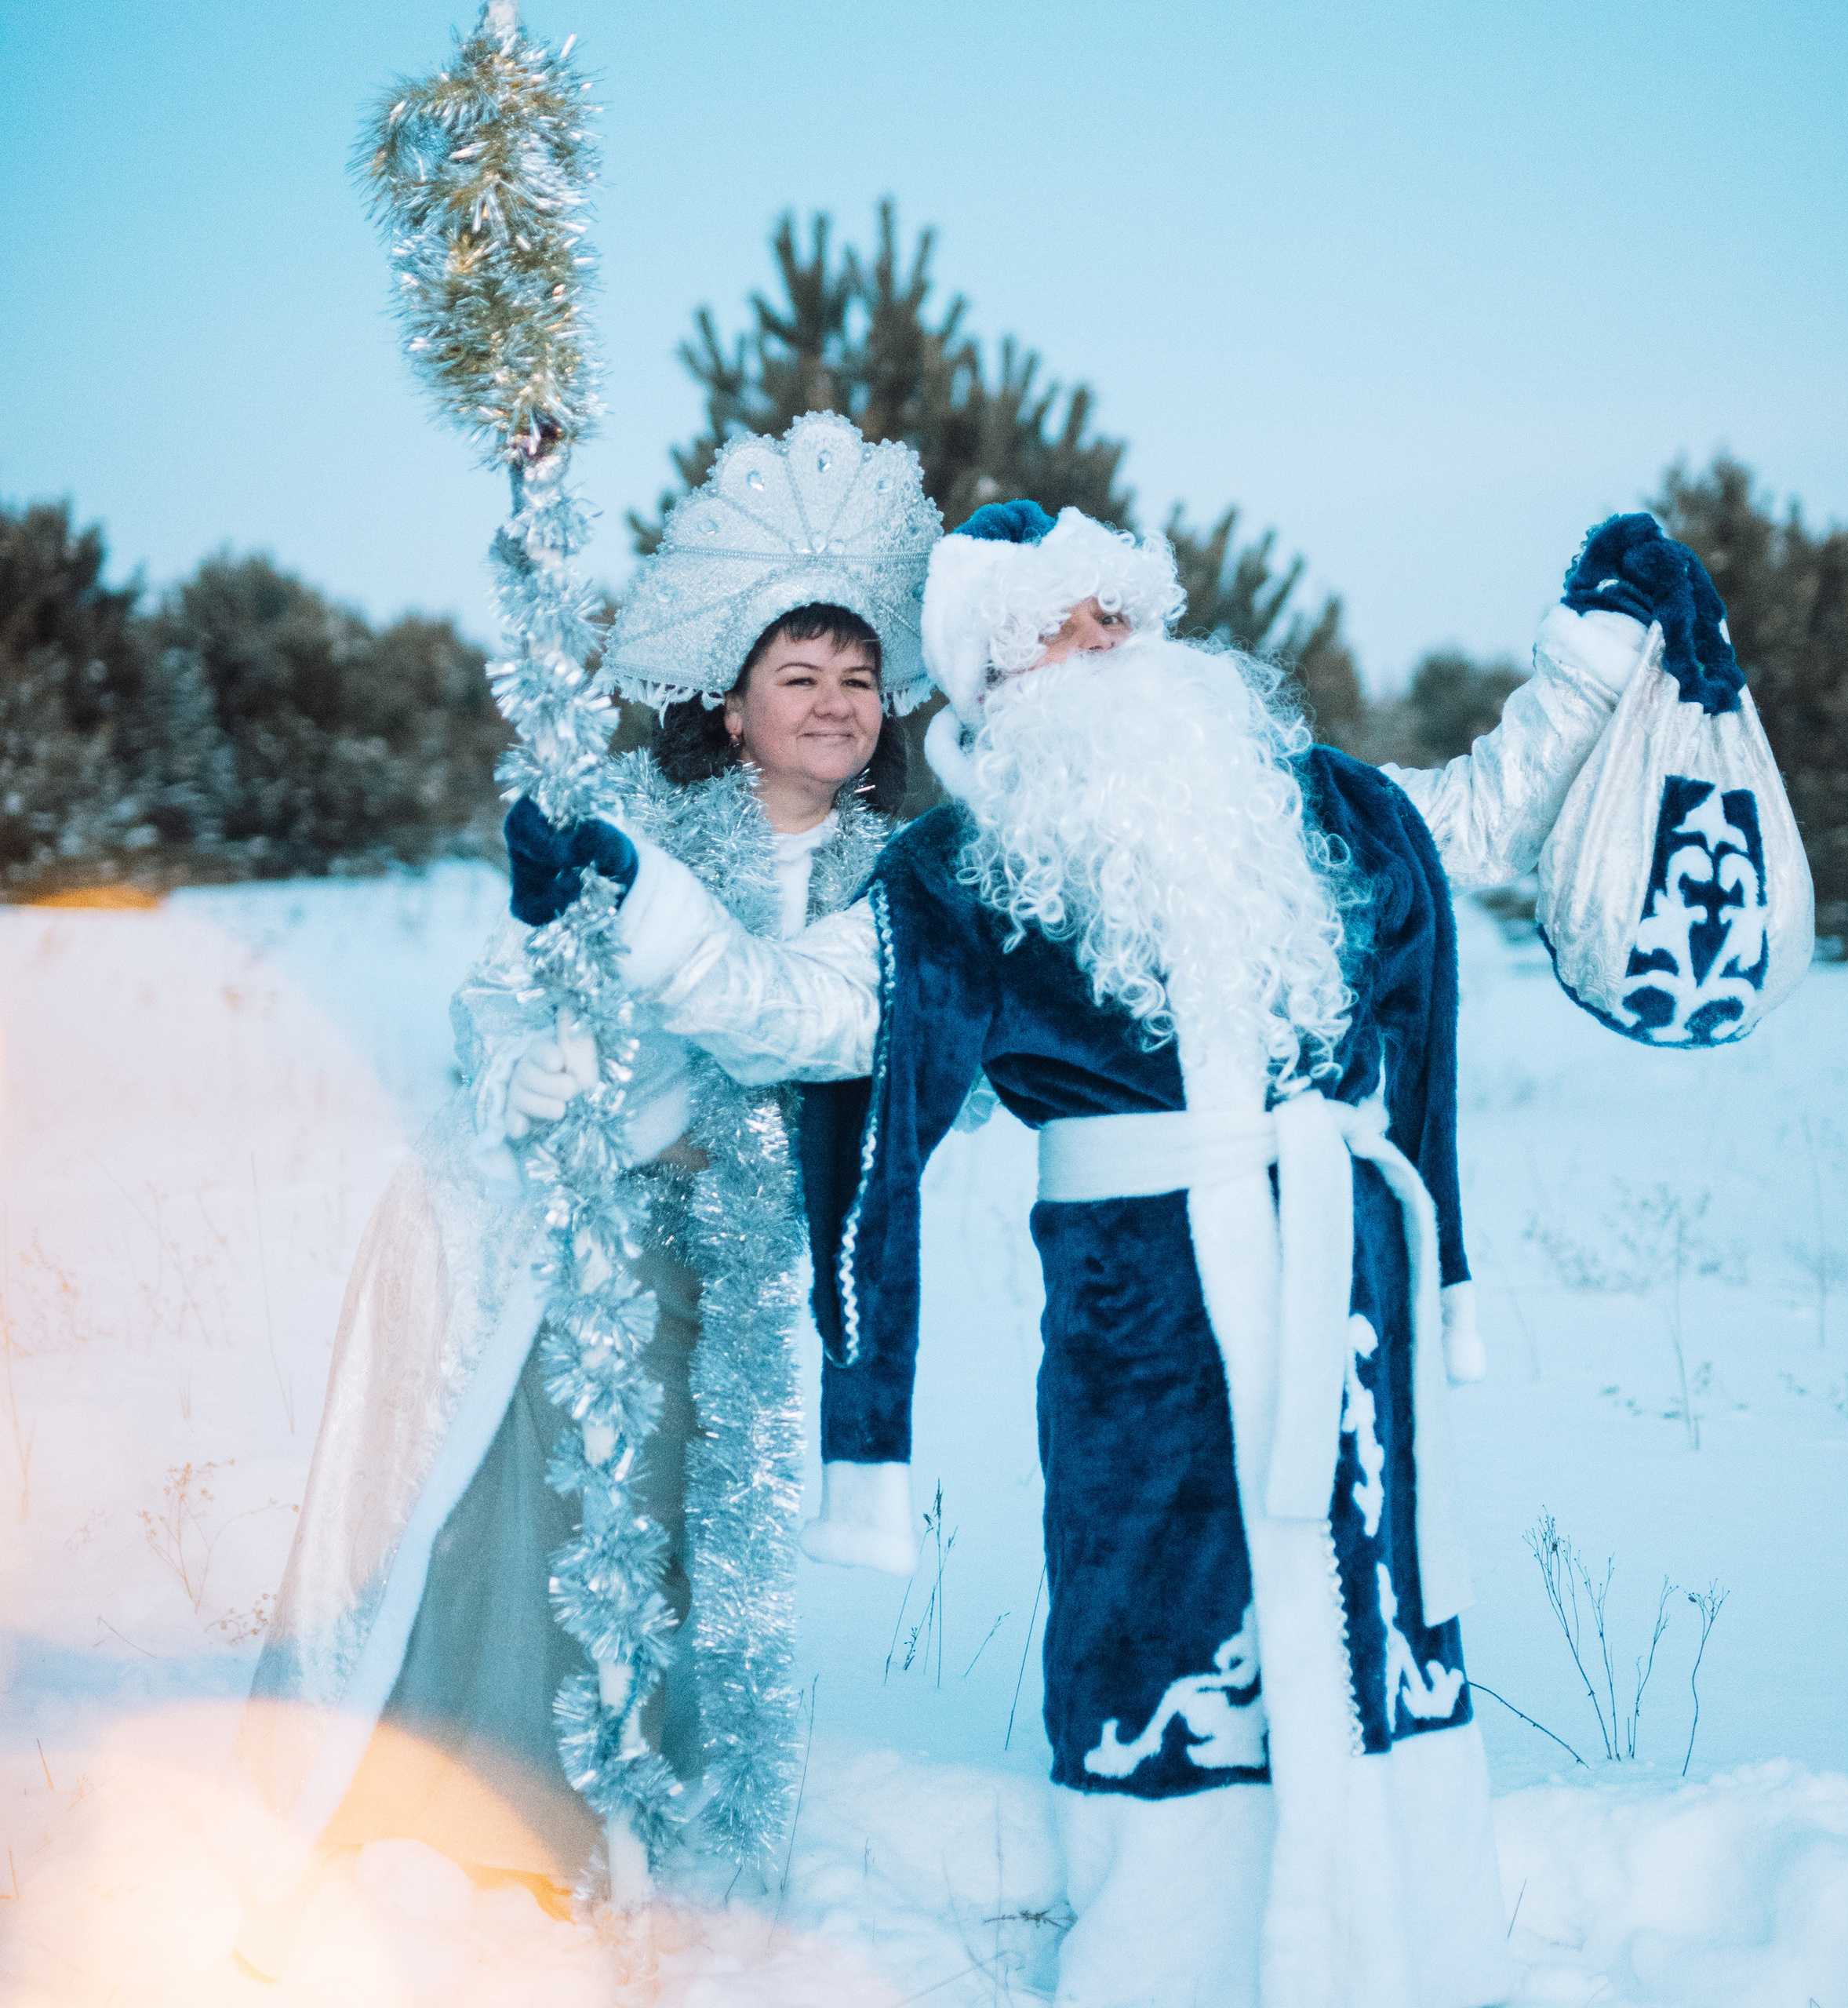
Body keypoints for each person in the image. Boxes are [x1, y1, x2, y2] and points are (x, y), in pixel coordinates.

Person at [510, 500, 1719, 2006]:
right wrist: (637, 903)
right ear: (999, 680)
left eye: (1122, 615)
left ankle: (1404, 1951)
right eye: (1064, 627)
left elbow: (1473, 815)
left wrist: (1596, 665)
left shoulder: (1317, 806)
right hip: (1143, 1318)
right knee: (1160, 1612)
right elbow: (795, 1008)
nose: (1113, 646)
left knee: (1371, 1603)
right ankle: (1179, 1964)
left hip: (1345, 1300)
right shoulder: (967, 878)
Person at [231, 413, 941, 1964]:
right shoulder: (624, 821)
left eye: (856, 675)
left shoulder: (899, 881)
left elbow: (823, 1030)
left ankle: (661, 1843)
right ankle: (478, 1827)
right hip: (581, 1244)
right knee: (548, 1522)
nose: (833, 703)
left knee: (696, 1551)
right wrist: (530, 1075)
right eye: (796, 675)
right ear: (734, 704)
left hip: (750, 1269)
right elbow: (503, 1001)